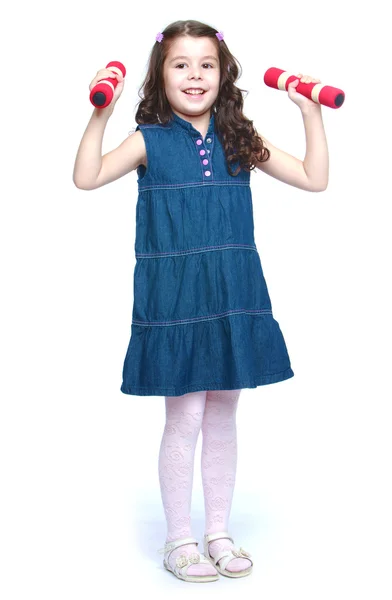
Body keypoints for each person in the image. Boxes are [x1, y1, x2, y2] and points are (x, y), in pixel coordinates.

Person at [73, 19, 329, 583]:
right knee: (185, 415)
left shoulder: (240, 138)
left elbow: (314, 178)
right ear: (160, 74)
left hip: (233, 291)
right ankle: (178, 540)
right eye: (181, 64)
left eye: (206, 65)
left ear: (223, 73)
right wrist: (100, 113)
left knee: (224, 414)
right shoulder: (150, 139)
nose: (195, 75)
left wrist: (308, 109)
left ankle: (217, 531)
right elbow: (86, 177)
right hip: (176, 296)